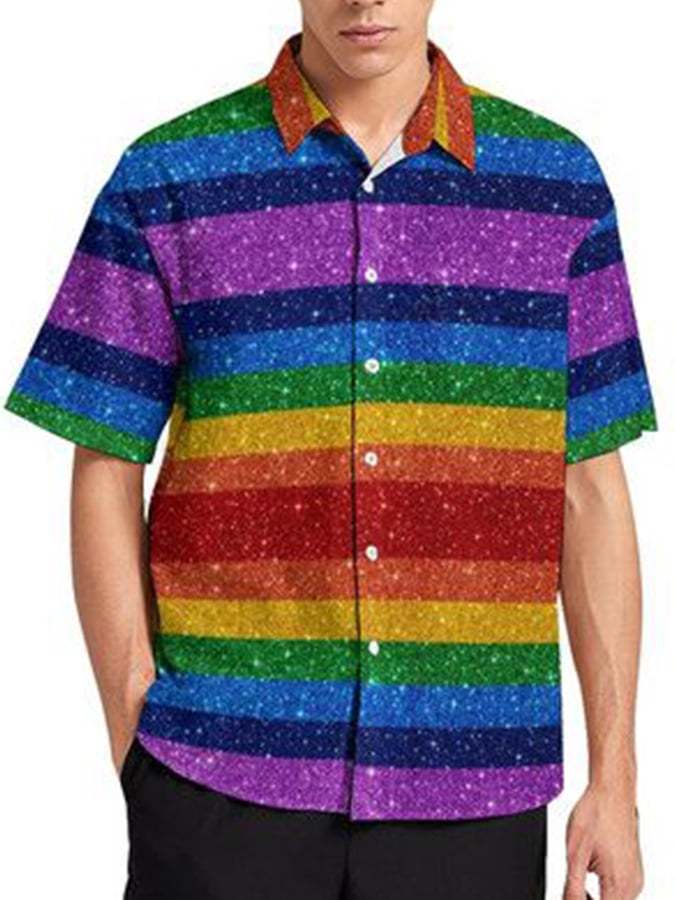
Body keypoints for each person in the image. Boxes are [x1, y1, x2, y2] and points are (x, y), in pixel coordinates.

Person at [4, 1, 656, 898]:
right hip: (219, 770)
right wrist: (134, 731)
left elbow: (590, 487)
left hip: (472, 777)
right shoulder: (168, 175)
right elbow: (105, 458)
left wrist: (614, 781)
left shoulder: (554, 184)